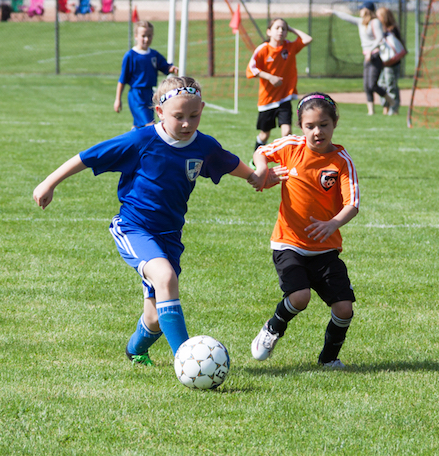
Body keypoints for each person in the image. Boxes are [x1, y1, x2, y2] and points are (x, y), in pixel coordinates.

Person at [33, 76, 285, 366]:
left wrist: (258, 177)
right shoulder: (141, 140)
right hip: (134, 227)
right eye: (179, 117)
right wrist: (49, 182)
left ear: (202, 108)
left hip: (170, 236)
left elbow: (236, 166)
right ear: (160, 112)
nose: (187, 123)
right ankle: (188, 361)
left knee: (154, 318)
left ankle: (135, 350)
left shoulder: (203, 146)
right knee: (166, 278)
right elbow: (88, 157)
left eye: (194, 115)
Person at [250, 93, 360, 368]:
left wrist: (333, 223)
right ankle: (273, 327)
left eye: (323, 124)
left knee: (344, 308)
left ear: (334, 123)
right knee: (300, 297)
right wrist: (263, 170)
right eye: (310, 125)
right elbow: (261, 152)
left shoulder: (341, 161)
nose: (317, 131)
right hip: (289, 243)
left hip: (325, 248)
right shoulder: (291, 147)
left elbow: (353, 204)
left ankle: (328, 359)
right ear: (301, 126)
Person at [247, 18, 312, 152]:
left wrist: (291, 29)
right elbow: (251, 69)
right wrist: (270, 77)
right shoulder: (263, 49)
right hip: (267, 100)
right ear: (269, 32)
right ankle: (256, 160)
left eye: (283, 28)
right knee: (265, 135)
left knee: (287, 132)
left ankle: (287, 165)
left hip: (284, 97)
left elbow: (308, 39)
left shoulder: (289, 47)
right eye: (277, 28)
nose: (280, 31)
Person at [330, 2, 395, 115]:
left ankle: (390, 100)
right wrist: (333, 12)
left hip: (375, 55)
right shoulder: (361, 22)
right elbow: (348, 18)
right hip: (367, 55)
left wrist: (371, 50)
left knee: (372, 84)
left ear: (367, 10)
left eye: (362, 9)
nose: (360, 11)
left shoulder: (375, 22)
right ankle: (371, 111)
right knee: (366, 85)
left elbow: (379, 38)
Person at [114, 21, 179, 129]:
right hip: (136, 94)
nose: (146, 39)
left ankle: (133, 144)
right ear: (136, 36)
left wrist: (171, 68)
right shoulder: (130, 55)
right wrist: (118, 99)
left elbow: (164, 66)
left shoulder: (154, 54)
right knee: (151, 125)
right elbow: (122, 80)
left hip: (149, 94)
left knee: (139, 127)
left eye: (149, 36)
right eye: (143, 36)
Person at [376, 7, 407, 116]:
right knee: (381, 84)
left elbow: (398, 47)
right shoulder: (380, 29)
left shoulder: (392, 29)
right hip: (383, 63)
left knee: (391, 85)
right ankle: (385, 106)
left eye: (379, 16)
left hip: (392, 64)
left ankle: (394, 109)